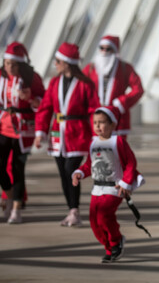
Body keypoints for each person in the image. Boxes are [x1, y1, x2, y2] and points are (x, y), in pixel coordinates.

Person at [34, 42, 100, 227]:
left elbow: (94, 110)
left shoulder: (85, 84)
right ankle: (71, 210)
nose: (55, 64)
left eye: (58, 61)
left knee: (71, 171)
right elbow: (45, 108)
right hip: (57, 132)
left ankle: (75, 211)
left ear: (67, 62)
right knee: (63, 174)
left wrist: (97, 135)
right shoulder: (54, 82)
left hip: (77, 132)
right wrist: (40, 132)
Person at [72, 106, 144, 263]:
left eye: (102, 122)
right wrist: (79, 173)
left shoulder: (118, 142)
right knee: (93, 221)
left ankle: (116, 241)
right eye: (95, 122)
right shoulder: (93, 143)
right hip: (97, 188)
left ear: (112, 125)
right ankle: (109, 247)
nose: (98, 126)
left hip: (115, 188)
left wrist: (126, 183)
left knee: (104, 216)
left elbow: (131, 163)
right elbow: (90, 165)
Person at [0, 42, 45, 224]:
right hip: (3, 126)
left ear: (21, 65)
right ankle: (9, 196)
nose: (10, 67)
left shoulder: (32, 79)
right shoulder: (1, 77)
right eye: (7, 63)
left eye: (14, 64)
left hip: (23, 130)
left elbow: (44, 103)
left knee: (18, 169)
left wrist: (31, 99)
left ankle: (16, 208)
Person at [83, 35, 144, 136]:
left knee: (117, 149)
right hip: (96, 118)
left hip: (118, 119)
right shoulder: (90, 69)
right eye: (101, 48)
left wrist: (121, 102)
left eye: (108, 49)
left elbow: (138, 89)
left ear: (115, 51)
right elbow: (80, 89)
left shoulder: (125, 68)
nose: (104, 51)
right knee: (96, 150)